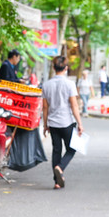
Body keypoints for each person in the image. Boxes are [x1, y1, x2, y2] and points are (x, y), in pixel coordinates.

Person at [41, 55, 84, 189]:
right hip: (67, 122)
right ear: (66, 68)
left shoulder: (46, 85)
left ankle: (57, 182)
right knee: (71, 149)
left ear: (54, 68)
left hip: (53, 123)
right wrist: (80, 124)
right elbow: (74, 105)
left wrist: (45, 125)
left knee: (56, 151)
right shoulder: (69, 84)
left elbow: (45, 107)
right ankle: (60, 168)